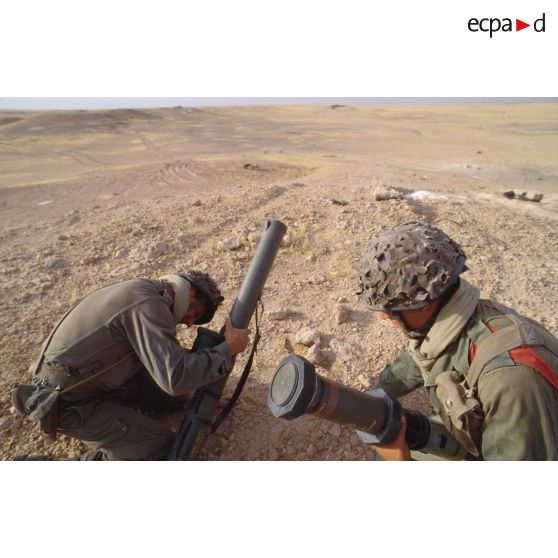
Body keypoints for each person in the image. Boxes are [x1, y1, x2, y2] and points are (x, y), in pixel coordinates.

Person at [357, 221, 558, 460]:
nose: (383, 314)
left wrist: (401, 461)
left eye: (391, 306)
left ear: (426, 302)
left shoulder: (511, 379)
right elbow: (415, 361)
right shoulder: (447, 322)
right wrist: (369, 398)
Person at [11, 271, 250, 460]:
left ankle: (119, 414)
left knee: (175, 400)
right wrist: (227, 349)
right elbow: (175, 377)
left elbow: (161, 362)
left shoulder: (148, 292)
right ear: (192, 292)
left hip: (96, 380)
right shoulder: (149, 305)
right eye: (196, 314)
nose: (189, 323)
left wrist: (205, 358)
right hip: (66, 401)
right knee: (157, 447)